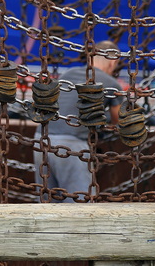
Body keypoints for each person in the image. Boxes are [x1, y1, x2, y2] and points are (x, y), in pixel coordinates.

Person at [33, 40, 123, 202]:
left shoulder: (68, 74)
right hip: (71, 146)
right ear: (113, 61)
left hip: (42, 140)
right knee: (80, 204)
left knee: (47, 204)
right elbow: (119, 121)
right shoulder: (111, 83)